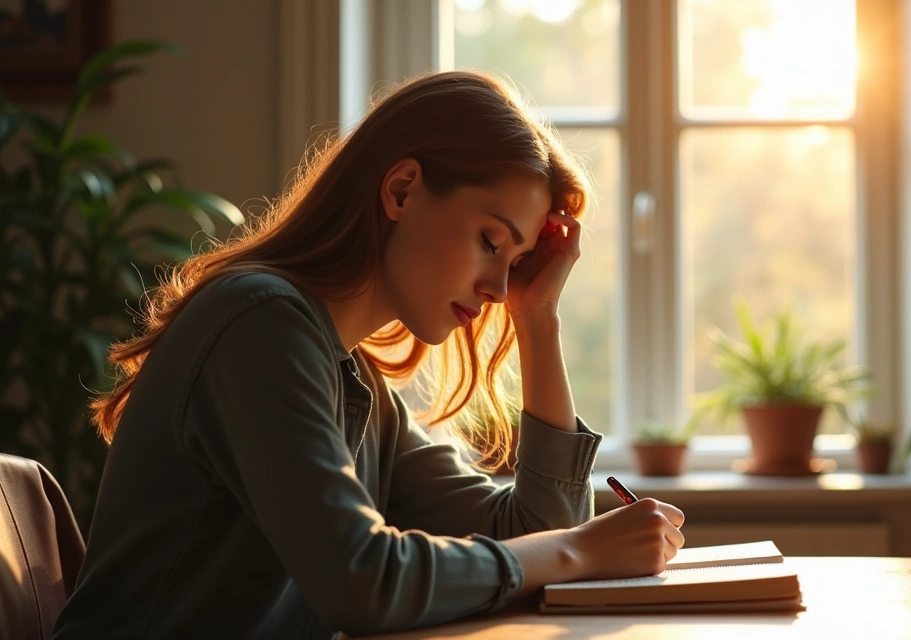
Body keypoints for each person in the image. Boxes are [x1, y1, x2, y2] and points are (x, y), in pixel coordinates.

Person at [51, 70, 686, 639]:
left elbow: (532, 530)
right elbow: (364, 581)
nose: (498, 289)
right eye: (491, 241)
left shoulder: (351, 377)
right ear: (403, 190)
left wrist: (537, 318)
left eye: (517, 263)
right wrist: (579, 551)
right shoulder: (259, 323)